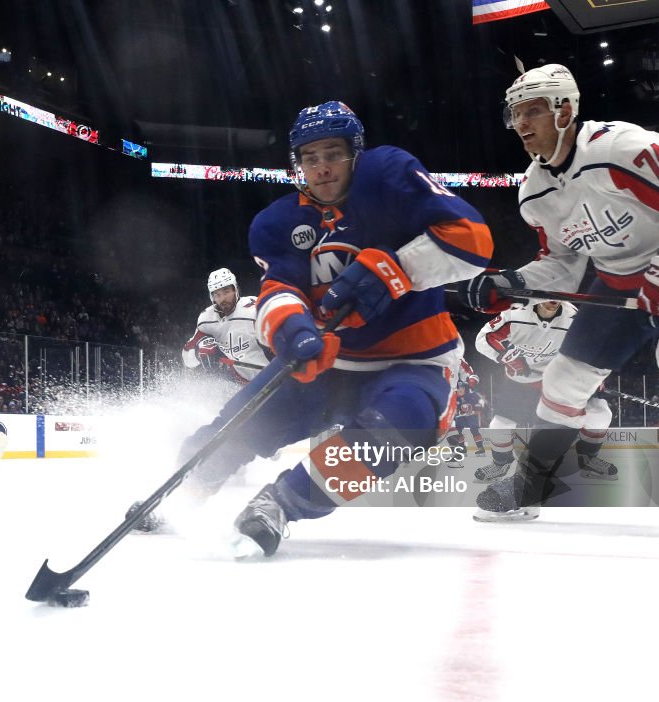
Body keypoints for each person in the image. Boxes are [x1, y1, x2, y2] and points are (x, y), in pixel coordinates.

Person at [151, 101, 492, 555]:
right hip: (330, 361)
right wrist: (293, 330)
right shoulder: (277, 222)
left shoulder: (391, 176)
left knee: (399, 429)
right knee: (236, 426)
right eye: (310, 158)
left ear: (357, 153)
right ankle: (181, 493)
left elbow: (473, 238)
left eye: (333, 153)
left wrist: (394, 270)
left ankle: (281, 503)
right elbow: (277, 291)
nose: (322, 167)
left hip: (415, 362)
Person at [459, 64, 659, 536]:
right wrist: (510, 280)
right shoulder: (534, 192)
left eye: (533, 110)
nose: (521, 124)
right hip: (618, 280)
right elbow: (562, 263)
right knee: (564, 380)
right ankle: (531, 484)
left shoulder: (619, 146)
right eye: (515, 114)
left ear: (565, 110)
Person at [472, 299, 617, 482]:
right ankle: (500, 464)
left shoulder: (572, 318)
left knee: (600, 412)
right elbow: (484, 338)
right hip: (521, 381)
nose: (552, 300)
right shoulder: (516, 314)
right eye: (547, 294)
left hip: (556, 379)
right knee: (499, 424)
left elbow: (590, 350)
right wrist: (506, 357)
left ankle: (588, 458)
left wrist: (592, 376)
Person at [181, 268, 271, 384]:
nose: (222, 299)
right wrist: (201, 351)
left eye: (226, 292)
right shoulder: (206, 320)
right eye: (217, 294)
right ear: (211, 297)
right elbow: (188, 360)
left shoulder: (254, 309)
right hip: (245, 386)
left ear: (236, 290)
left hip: (276, 375)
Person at [443, 383, 486, 469]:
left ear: (464, 388)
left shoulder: (471, 395)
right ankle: (463, 450)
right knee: (458, 432)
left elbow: (480, 402)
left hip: (471, 417)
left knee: (474, 430)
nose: (460, 389)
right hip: (460, 418)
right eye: (458, 388)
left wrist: (476, 409)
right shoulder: (454, 397)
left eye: (462, 387)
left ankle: (481, 449)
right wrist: (458, 412)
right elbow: (451, 409)